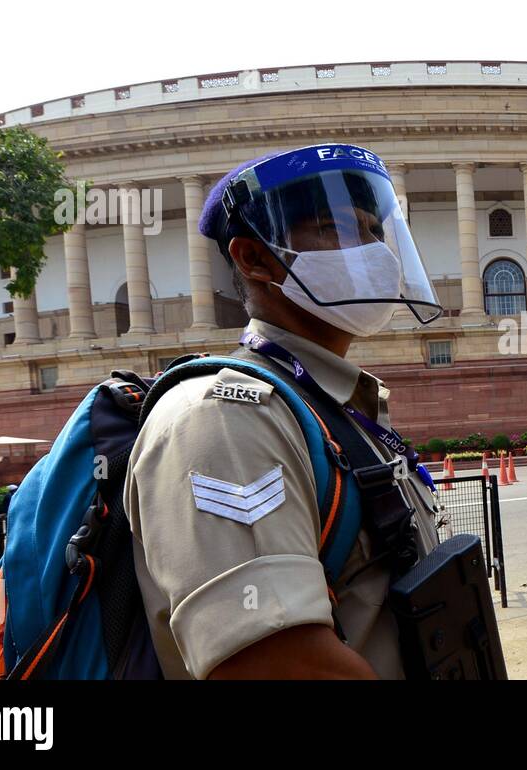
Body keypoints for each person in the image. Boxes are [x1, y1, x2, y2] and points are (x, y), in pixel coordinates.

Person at [123, 144, 444, 680]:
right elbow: (274, 664)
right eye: (332, 227)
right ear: (252, 258)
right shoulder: (223, 418)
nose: (370, 250)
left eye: (370, 230)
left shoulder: (327, 404)